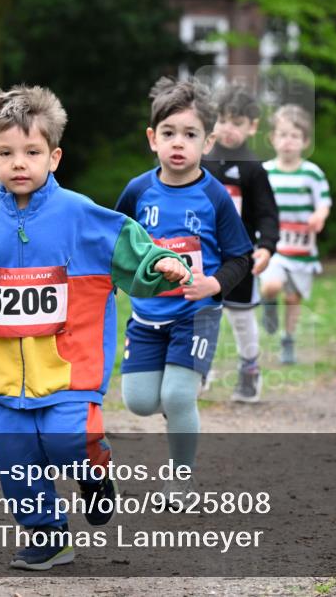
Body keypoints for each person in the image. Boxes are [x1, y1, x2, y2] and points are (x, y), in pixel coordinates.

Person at [0, 85, 191, 570]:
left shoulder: (78, 213)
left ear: (53, 157)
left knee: (64, 440)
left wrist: (160, 263)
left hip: (70, 366)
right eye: (7, 153)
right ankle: (46, 535)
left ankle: (93, 467)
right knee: (15, 459)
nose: (20, 163)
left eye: (32, 152)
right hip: (3, 373)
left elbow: (130, 245)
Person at [114, 77, 253, 502]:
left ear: (207, 142)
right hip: (145, 316)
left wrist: (213, 283)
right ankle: (182, 408)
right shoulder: (138, 192)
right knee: (139, 401)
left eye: (190, 135)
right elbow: (113, 245)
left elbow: (241, 257)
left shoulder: (214, 196)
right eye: (169, 133)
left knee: (176, 395)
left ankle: (180, 480)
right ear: (152, 138)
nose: (179, 143)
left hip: (197, 314)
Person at [202, 84, 279, 403]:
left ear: (252, 126)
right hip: (202, 252)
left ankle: (249, 370)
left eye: (237, 123)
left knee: (240, 315)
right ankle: (195, 369)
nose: (227, 129)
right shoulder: (200, 159)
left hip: (239, 256)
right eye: (222, 120)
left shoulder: (253, 168)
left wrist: (267, 246)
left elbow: (267, 213)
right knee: (200, 312)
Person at [259, 105, 332, 365]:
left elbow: (323, 201)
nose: (288, 141)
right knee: (272, 285)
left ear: (305, 141)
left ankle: (287, 338)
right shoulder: (264, 172)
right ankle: (267, 302)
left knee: (292, 298)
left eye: (294, 136)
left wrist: (319, 216)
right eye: (283, 135)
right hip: (272, 245)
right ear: (272, 139)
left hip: (302, 246)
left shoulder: (312, 173)